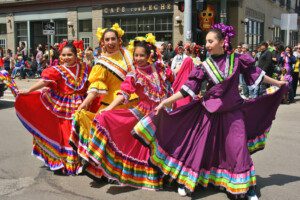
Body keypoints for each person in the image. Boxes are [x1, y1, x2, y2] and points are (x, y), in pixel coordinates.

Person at [133, 23, 287, 199]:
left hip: (233, 112)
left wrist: (278, 83)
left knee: (238, 148)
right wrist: (166, 102)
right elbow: (187, 89)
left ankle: (246, 186)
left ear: (223, 42)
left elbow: (257, 75)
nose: (206, 45)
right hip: (209, 112)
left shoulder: (237, 60)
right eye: (206, 41)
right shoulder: (204, 66)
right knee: (200, 148)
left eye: (210, 41)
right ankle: (187, 181)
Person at [75, 34, 171, 189]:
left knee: (159, 145)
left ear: (149, 56)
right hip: (142, 113)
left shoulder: (157, 68)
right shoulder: (133, 74)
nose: (138, 58)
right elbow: (123, 92)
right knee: (138, 144)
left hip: (161, 113)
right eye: (136, 55)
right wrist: (108, 108)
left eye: (142, 55)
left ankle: (165, 173)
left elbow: (167, 83)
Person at [70, 23, 137, 179]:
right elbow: (95, 87)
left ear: (119, 40)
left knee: (130, 139)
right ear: (102, 42)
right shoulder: (101, 63)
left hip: (133, 102)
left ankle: (129, 171)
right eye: (107, 39)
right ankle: (108, 172)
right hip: (112, 105)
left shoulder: (129, 54)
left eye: (113, 38)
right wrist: (84, 103)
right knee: (109, 140)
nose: (110, 42)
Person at [14, 41, 91, 175]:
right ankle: (67, 163)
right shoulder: (58, 70)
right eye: (63, 55)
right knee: (66, 131)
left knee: (82, 131)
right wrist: (29, 90)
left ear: (76, 55)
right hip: (64, 104)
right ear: (60, 56)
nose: (66, 58)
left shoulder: (85, 68)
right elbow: (44, 81)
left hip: (83, 103)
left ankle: (84, 159)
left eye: (70, 55)